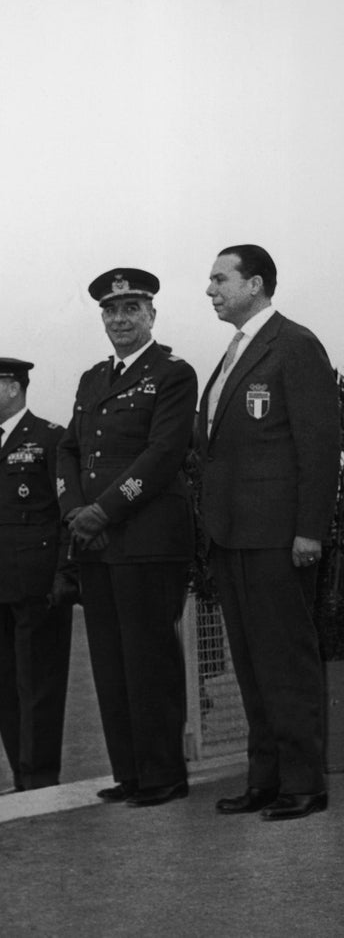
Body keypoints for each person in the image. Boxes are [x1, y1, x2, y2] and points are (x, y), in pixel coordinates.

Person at [200, 244, 340, 821]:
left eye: (219, 279)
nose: (209, 291)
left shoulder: (295, 345)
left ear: (254, 284)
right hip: (233, 538)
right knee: (251, 665)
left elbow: (320, 445)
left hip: (279, 538)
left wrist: (309, 530)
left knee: (286, 661)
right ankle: (265, 779)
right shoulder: (235, 352)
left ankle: (304, 784)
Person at [57, 268, 198, 806]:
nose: (120, 319)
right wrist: (75, 510)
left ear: (151, 316)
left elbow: (163, 455)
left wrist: (104, 510)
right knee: (112, 664)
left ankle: (163, 775)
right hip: (96, 542)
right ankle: (131, 774)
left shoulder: (172, 373)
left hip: (147, 539)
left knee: (150, 661)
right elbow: (69, 449)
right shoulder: (94, 378)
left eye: (131, 309)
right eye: (111, 311)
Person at [0, 354, 78, 793]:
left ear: (13, 387)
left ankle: (41, 777)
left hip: (38, 583)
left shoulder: (51, 439)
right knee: (4, 686)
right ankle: (20, 775)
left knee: (41, 685)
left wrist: (64, 575)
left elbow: (67, 512)